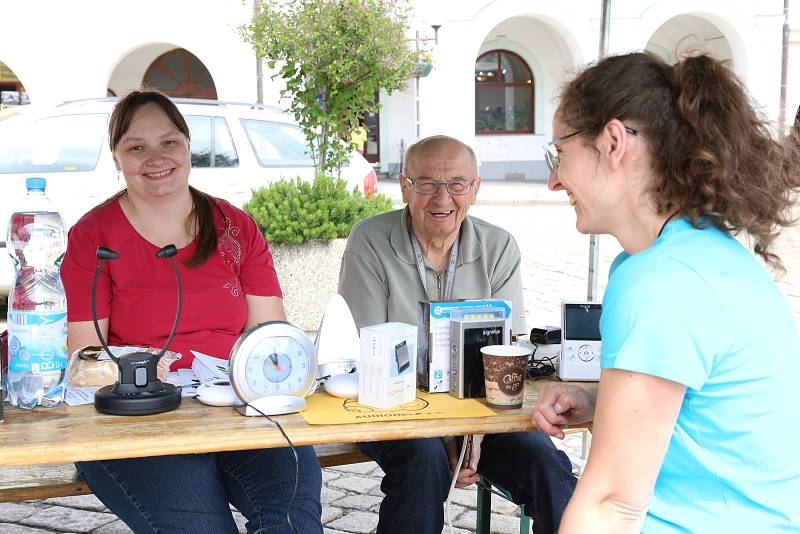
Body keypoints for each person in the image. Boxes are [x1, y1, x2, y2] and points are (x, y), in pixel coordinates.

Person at [532, 52, 800, 533]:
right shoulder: (687, 257)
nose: (553, 180)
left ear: (612, 142)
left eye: (559, 153)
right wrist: (601, 403)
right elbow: (707, 409)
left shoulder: (662, 281)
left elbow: (612, 505)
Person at [59, 90, 323, 534]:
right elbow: (86, 358)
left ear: (187, 145)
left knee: (292, 519)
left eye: (168, 142)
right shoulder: (93, 237)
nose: (155, 158)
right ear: (116, 158)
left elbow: (269, 336)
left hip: (238, 408)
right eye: (136, 147)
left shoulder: (235, 226)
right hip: (138, 419)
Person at [338, 135, 577, 534]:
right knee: (423, 459)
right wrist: (441, 429)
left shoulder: (499, 246)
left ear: (475, 189)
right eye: (427, 183)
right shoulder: (370, 242)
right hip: (393, 407)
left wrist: (472, 433)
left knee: (546, 465)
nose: (441, 197)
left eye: (457, 184)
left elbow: (509, 352)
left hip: (482, 410)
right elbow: (369, 352)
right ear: (404, 187)